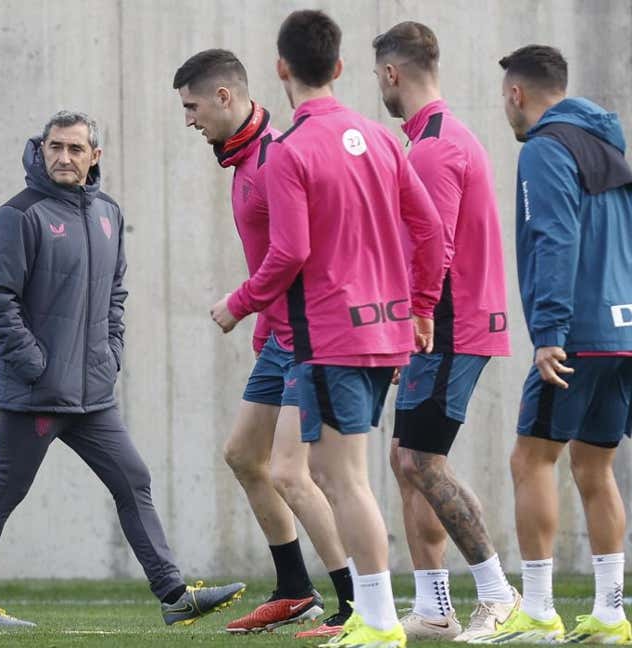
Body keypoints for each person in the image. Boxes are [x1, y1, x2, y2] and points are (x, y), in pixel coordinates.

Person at [0, 109, 245, 630]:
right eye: (54, 147)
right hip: (37, 394)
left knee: (133, 480)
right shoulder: (18, 215)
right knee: (4, 493)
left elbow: (115, 295)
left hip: (93, 395)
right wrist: (38, 366)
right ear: (40, 149)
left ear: (95, 157)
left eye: (75, 149)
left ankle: (174, 596)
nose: (63, 157)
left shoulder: (107, 213)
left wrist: (111, 352)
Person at [210, 10, 444, 648]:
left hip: (331, 338)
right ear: (340, 67)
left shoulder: (288, 150)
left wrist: (239, 303)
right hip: (384, 334)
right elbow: (429, 230)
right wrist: (421, 306)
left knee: (343, 481)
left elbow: (288, 254)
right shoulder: (382, 137)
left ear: (281, 68)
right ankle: (364, 614)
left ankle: (376, 620)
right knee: (337, 476)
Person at [172, 48, 353, 638]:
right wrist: (263, 323)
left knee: (291, 473)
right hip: (279, 334)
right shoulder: (243, 159)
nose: (190, 119)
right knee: (244, 456)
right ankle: (295, 591)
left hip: (310, 336)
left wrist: (241, 304)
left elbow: (298, 253)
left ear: (225, 96)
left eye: (193, 107)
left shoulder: (276, 156)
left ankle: (357, 607)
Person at [472, 45, 632, 645]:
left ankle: (537, 612)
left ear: (517, 94)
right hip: (623, 332)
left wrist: (550, 333)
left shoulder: (546, 148)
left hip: (577, 337)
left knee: (530, 460)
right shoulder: (607, 144)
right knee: (595, 466)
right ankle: (611, 616)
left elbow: (553, 238)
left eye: (504, 98)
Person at [371, 21, 520, 642]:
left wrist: (415, 320)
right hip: (446, 321)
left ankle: (498, 593)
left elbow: (436, 245)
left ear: (390, 74)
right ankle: (435, 607)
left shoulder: (433, 147)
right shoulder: (435, 138)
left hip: (451, 323)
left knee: (422, 461)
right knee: (406, 461)